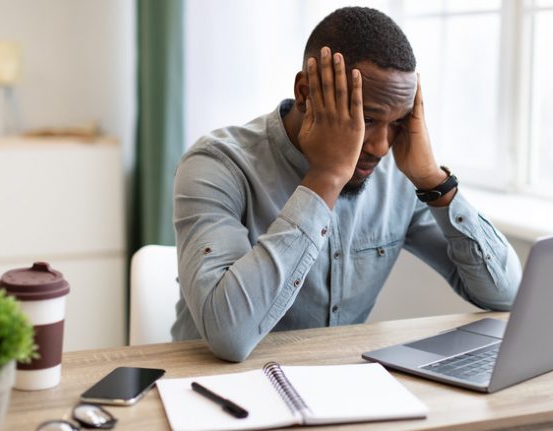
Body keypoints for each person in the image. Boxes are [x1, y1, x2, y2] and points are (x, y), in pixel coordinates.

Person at [171, 6, 522, 362]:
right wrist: (325, 178)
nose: (381, 146)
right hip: (215, 392)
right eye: (366, 118)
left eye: (398, 122)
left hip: (340, 388)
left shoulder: (399, 176)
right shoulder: (217, 164)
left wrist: (434, 180)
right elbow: (228, 335)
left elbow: (506, 295)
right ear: (306, 93)